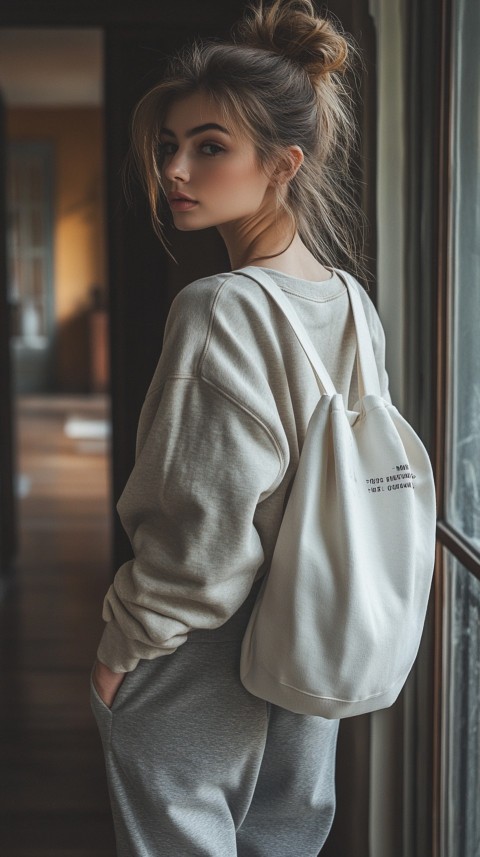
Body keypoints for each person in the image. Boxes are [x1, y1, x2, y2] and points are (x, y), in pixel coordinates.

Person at [91, 1, 390, 854]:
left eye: (209, 146)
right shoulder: (348, 301)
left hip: (202, 653)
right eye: (168, 145)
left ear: (283, 163)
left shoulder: (221, 307)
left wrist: (124, 648)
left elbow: (202, 530)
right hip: (311, 636)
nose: (176, 168)